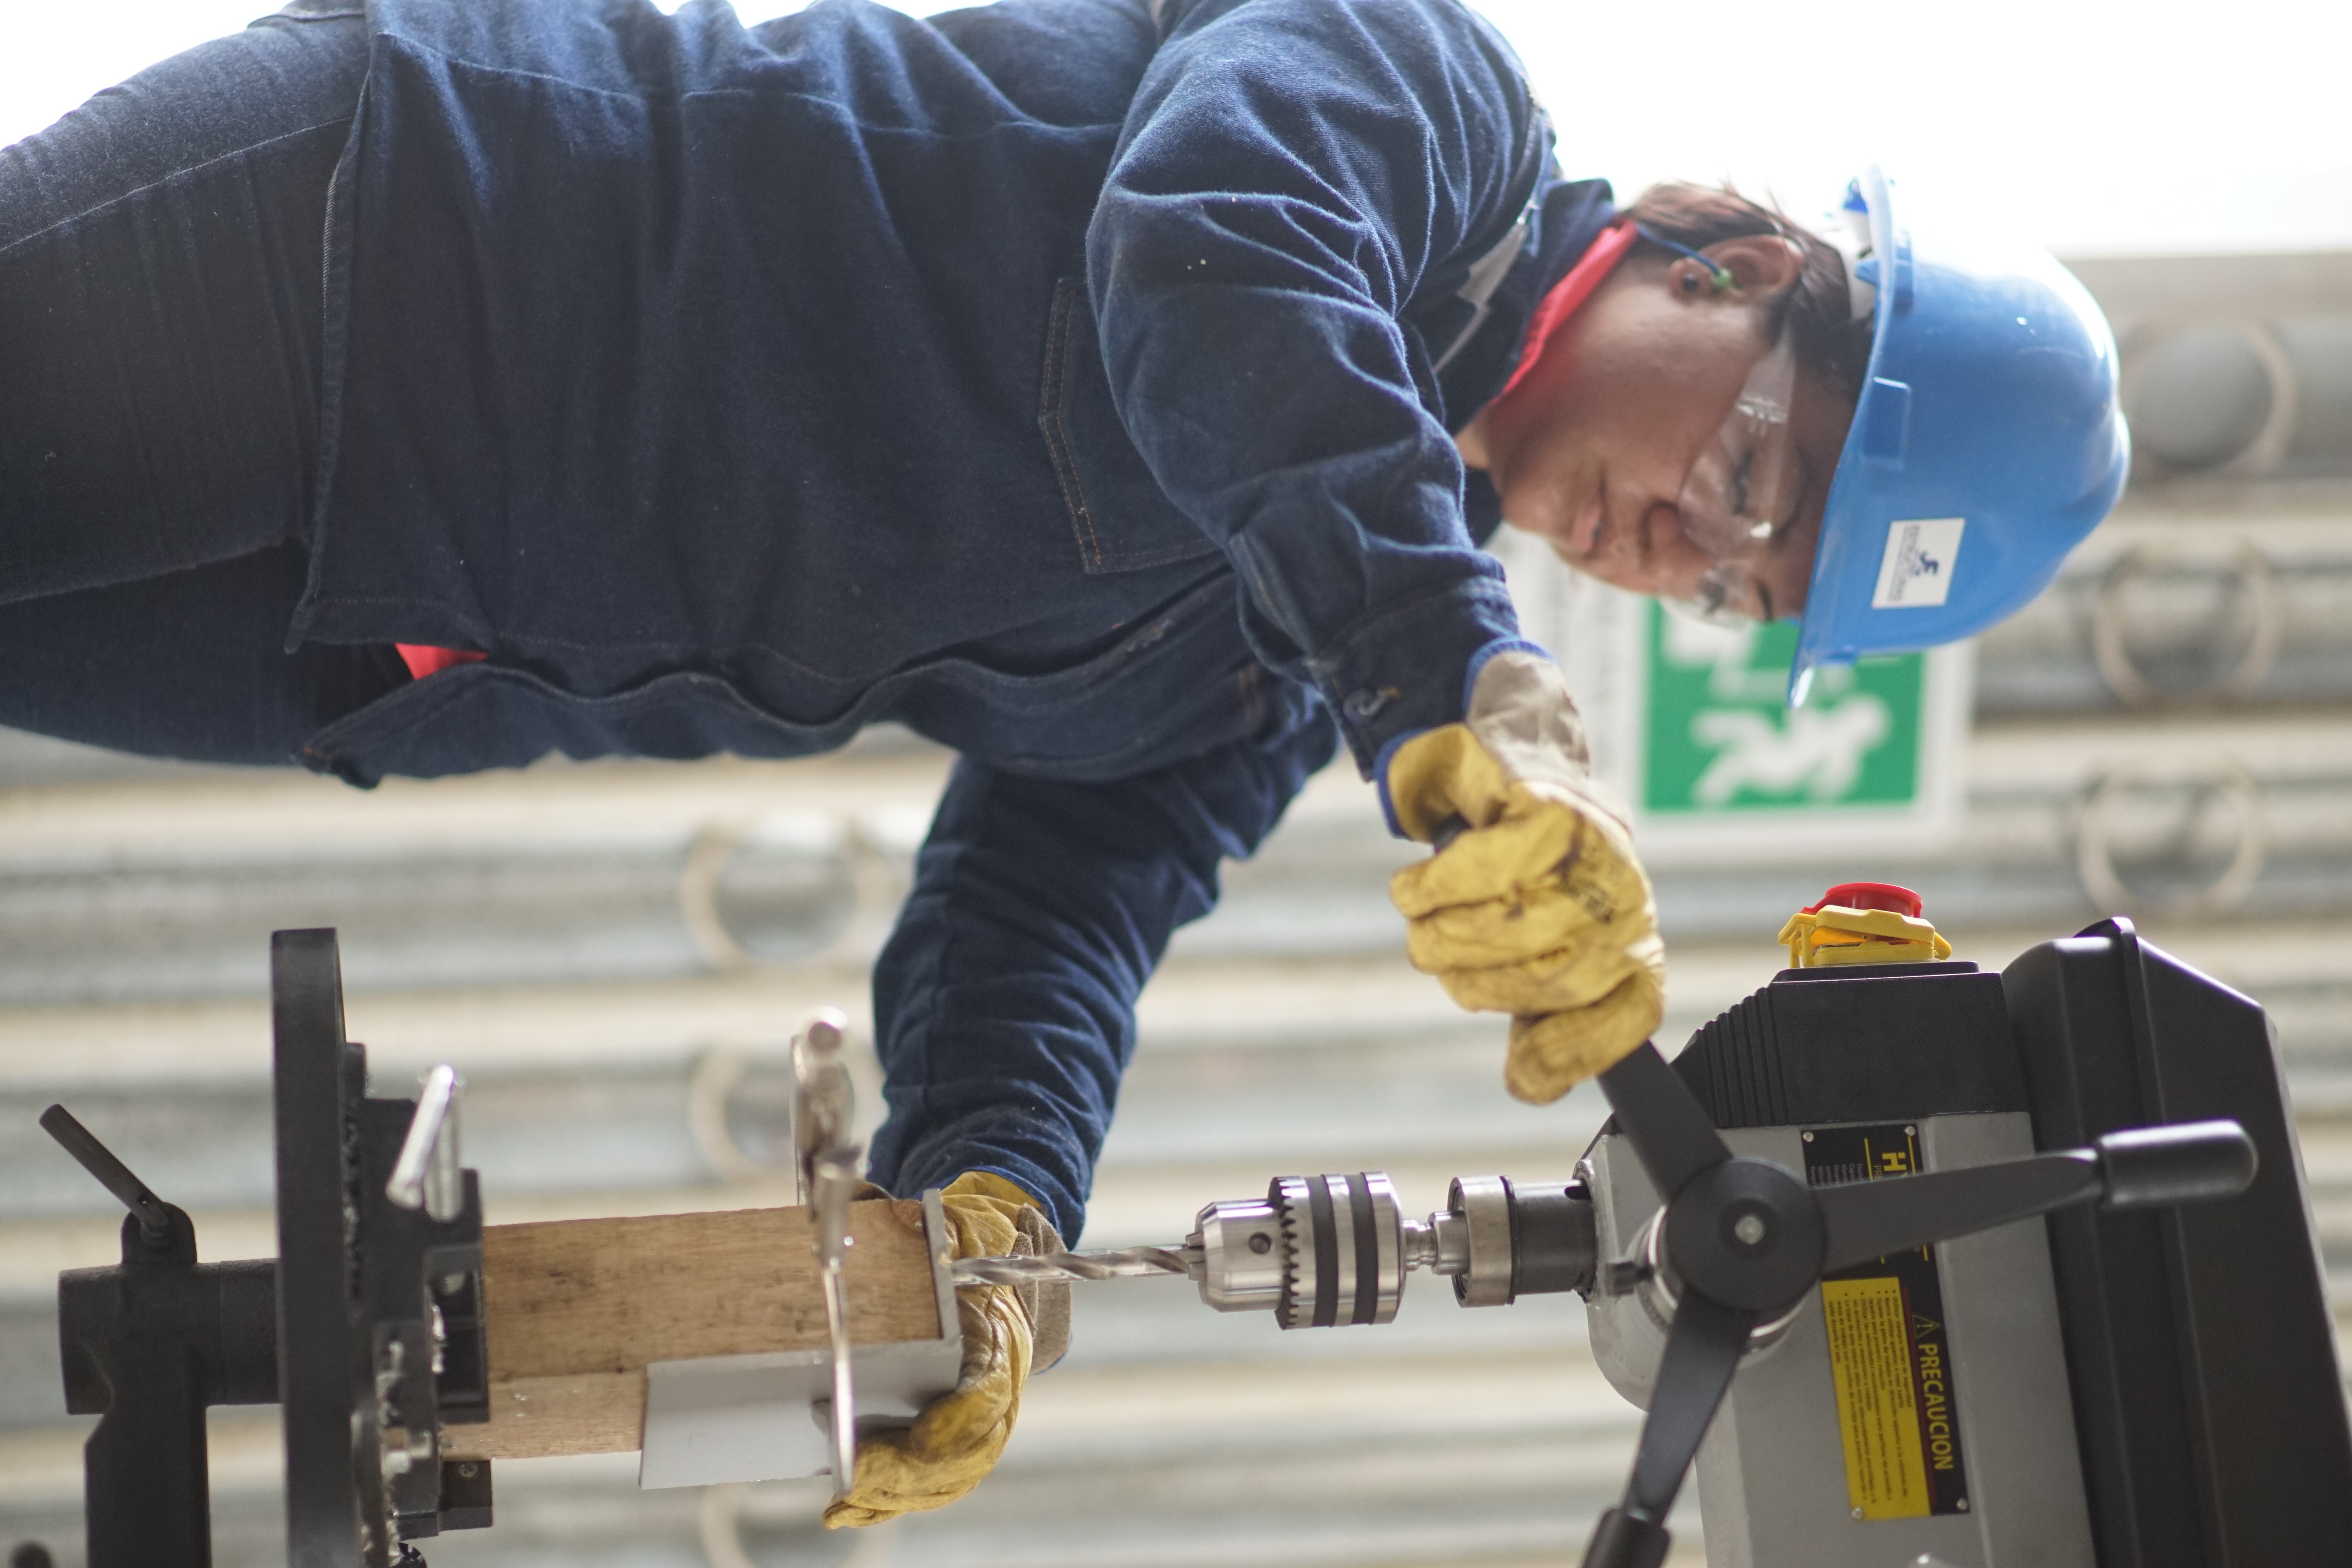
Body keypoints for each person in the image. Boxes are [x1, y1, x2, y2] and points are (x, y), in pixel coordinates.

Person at [0, 0, 2125, 1525]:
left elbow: (1059, 896)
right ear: (1731, 256)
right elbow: (1208, 258)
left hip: (403, 644)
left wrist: (992, 1212)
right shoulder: (1425, 103)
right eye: (1759, 464)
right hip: (404, 251)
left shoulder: (1295, 670)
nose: (1692, 549)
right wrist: (1446, 680)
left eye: (1751, 590)